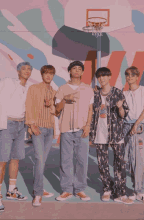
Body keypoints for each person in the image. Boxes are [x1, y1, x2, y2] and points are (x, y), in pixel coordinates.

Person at [90, 67, 133, 204]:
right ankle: (107, 189)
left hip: (116, 133)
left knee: (119, 163)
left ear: (109, 77)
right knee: (102, 163)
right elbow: (91, 114)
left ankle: (120, 191)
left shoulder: (117, 93)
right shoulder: (95, 94)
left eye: (105, 76)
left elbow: (124, 114)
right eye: (99, 77)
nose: (102, 79)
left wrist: (120, 107)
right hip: (99, 133)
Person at [55, 61, 93, 201]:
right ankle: (66, 190)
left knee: (82, 161)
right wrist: (65, 99)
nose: (76, 71)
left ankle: (80, 189)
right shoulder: (62, 88)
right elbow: (56, 110)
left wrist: (88, 125)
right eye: (74, 69)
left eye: (79, 69)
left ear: (82, 72)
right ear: (69, 71)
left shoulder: (88, 89)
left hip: (82, 129)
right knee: (65, 160)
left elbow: (90, 109)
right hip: (66, 129)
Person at [0, 62, 33, 212]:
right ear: (18, 71)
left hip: (21, 126)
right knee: (2, 160)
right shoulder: (7, 82)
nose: (27, 71)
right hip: (8, 124)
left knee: (15, 158)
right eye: (24, 69)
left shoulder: (28, 89)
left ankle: (11, 190)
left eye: (29, 69)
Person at [25, 65, 57, 207]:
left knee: (42, 161)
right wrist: (32, 124)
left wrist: (51, 106)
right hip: (38, 128)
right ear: (42, 74)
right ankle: (37, 194)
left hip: (49, 129)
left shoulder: (54, 91)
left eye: (51, 74)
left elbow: (56, 112)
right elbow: (29, 106)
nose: (48, 76)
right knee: (39, 159)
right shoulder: (34, 88)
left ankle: (39, 187)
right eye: (46, 73)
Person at [123, 66, 144, 204]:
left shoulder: (143, 90)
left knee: (140, 160)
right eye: (127, 75)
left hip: (139, 127)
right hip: (126, 127)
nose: (130, 77)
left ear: (137, 77)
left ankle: (141, 192)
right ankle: (134, 191)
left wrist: (136, 124)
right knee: (129, 160)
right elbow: (122, 113)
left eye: (132, 75)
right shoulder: (124, 93)